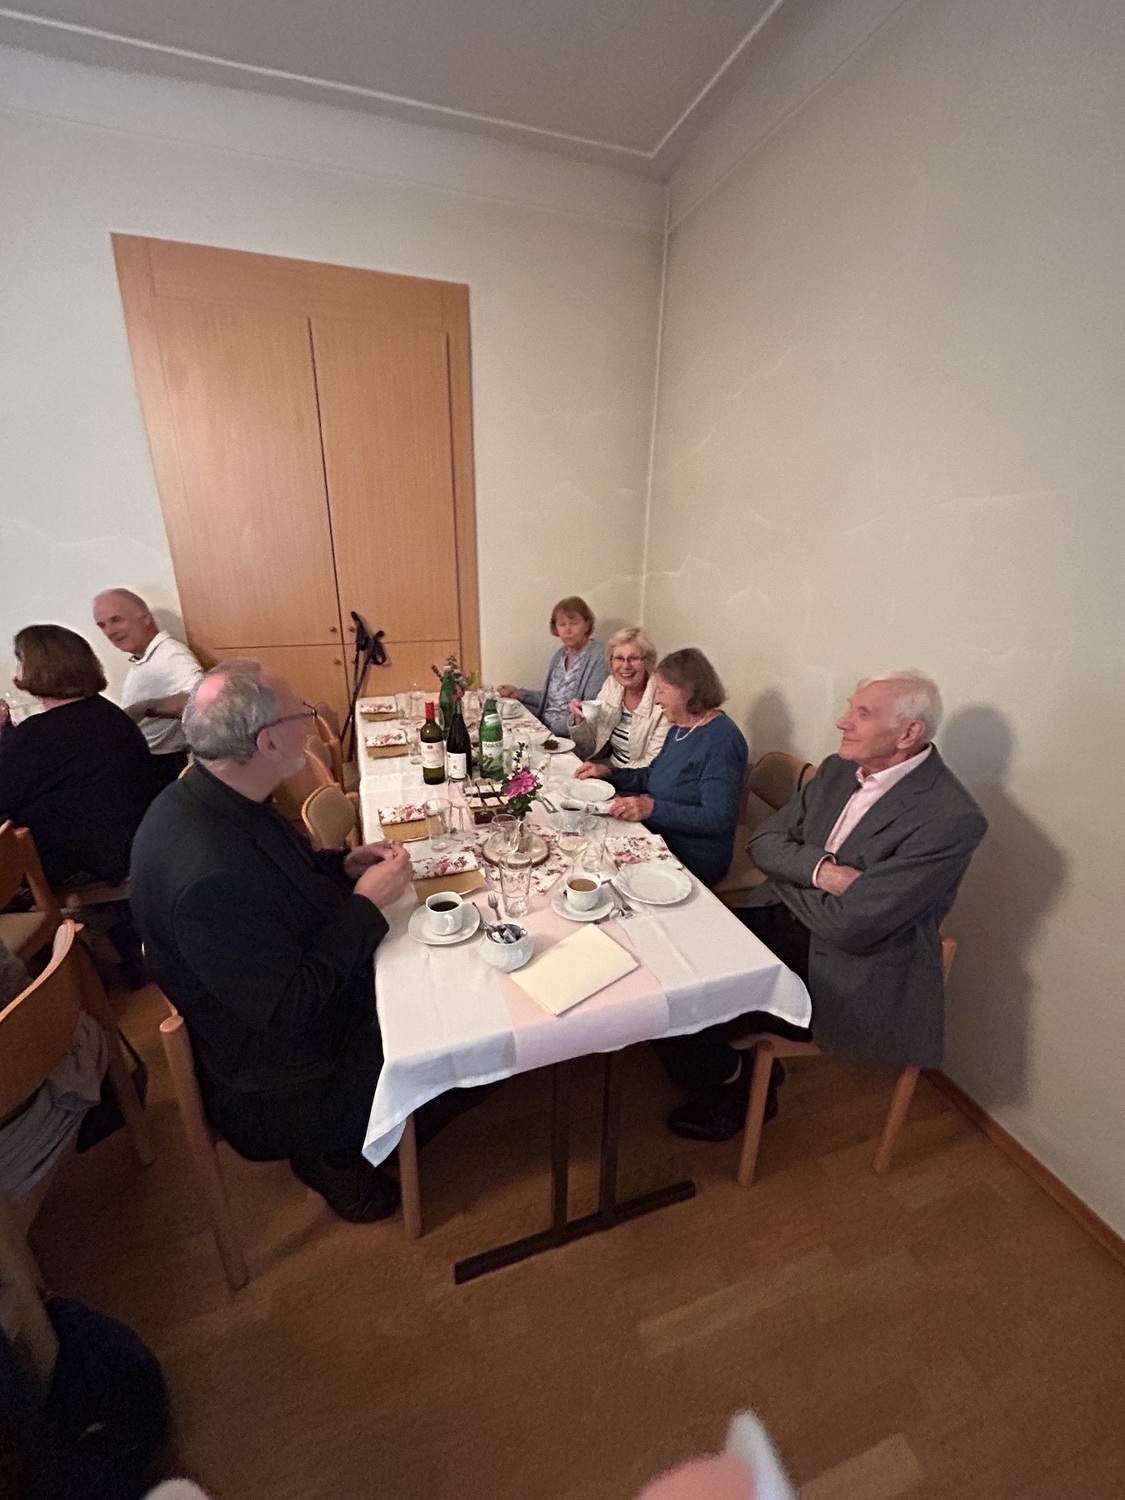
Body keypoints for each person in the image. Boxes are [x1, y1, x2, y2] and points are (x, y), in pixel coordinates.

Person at [130, 660, 419, 1223]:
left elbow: (281, 881)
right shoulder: (209, 871)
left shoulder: (218, 793)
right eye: (300, 714)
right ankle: (333, 1154)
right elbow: (288, 1008)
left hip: (282, 997)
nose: (310, 723)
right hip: (282, 1075)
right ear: (266, 741)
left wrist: (343, 866)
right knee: (454, 1037)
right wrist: (364, 906)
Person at [656, 670, 988, 1142]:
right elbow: (763, 843)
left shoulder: (951, 818)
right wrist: (823, 873)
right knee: (666, 962)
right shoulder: (838, 770)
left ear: (908, 733)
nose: (842, 721)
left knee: (690, 1002)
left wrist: (790, 872)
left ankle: (738, 1085)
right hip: (781, 912)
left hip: (847, 964)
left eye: (862, 713)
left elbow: (853, 925)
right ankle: (726, 1068)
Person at [0, 625, 155, 891]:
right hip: (131, 841)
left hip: (84, 862)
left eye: (20, 660)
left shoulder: (39, 734)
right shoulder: (107, 712)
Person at [576, 647, 746, 887]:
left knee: (603, 872)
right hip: (659, 834)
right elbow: (652, 775)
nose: (656, 700)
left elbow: (717, 818)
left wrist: (653, 809)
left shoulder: (721, 741)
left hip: (692, 854)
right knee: (588, 847)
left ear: (687, 691)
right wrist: (609, 773)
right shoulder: (680, 728)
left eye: (661, 691)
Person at [93, 590, 204, 789]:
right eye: (102, 625)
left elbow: (200, 702)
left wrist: (144, 708)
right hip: (149, 764)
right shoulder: (145, 659)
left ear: (145, 618)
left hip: (165, 768)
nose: (109, 631)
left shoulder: (171, 656)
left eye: (116, 620)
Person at [497, 595, 608, 735]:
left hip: (571, 735)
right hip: (546, 726)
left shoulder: (598, 656)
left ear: (587, 625)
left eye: (574, 623)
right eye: (562, 624)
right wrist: (520, 694)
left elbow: (589, 710)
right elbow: (551, 699)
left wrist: (547, 731)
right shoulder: (560, 654)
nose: (567, 630)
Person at [568, 626, 668, 769]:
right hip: (610, 767)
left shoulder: (661, 698)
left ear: (647, 661)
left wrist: (608, 772)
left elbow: (652, 764)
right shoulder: (612, 684)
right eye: (619, 658)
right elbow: (587, 748)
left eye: (633, 658)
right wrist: (580, 720)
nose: (625, 666)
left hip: (635, 777)